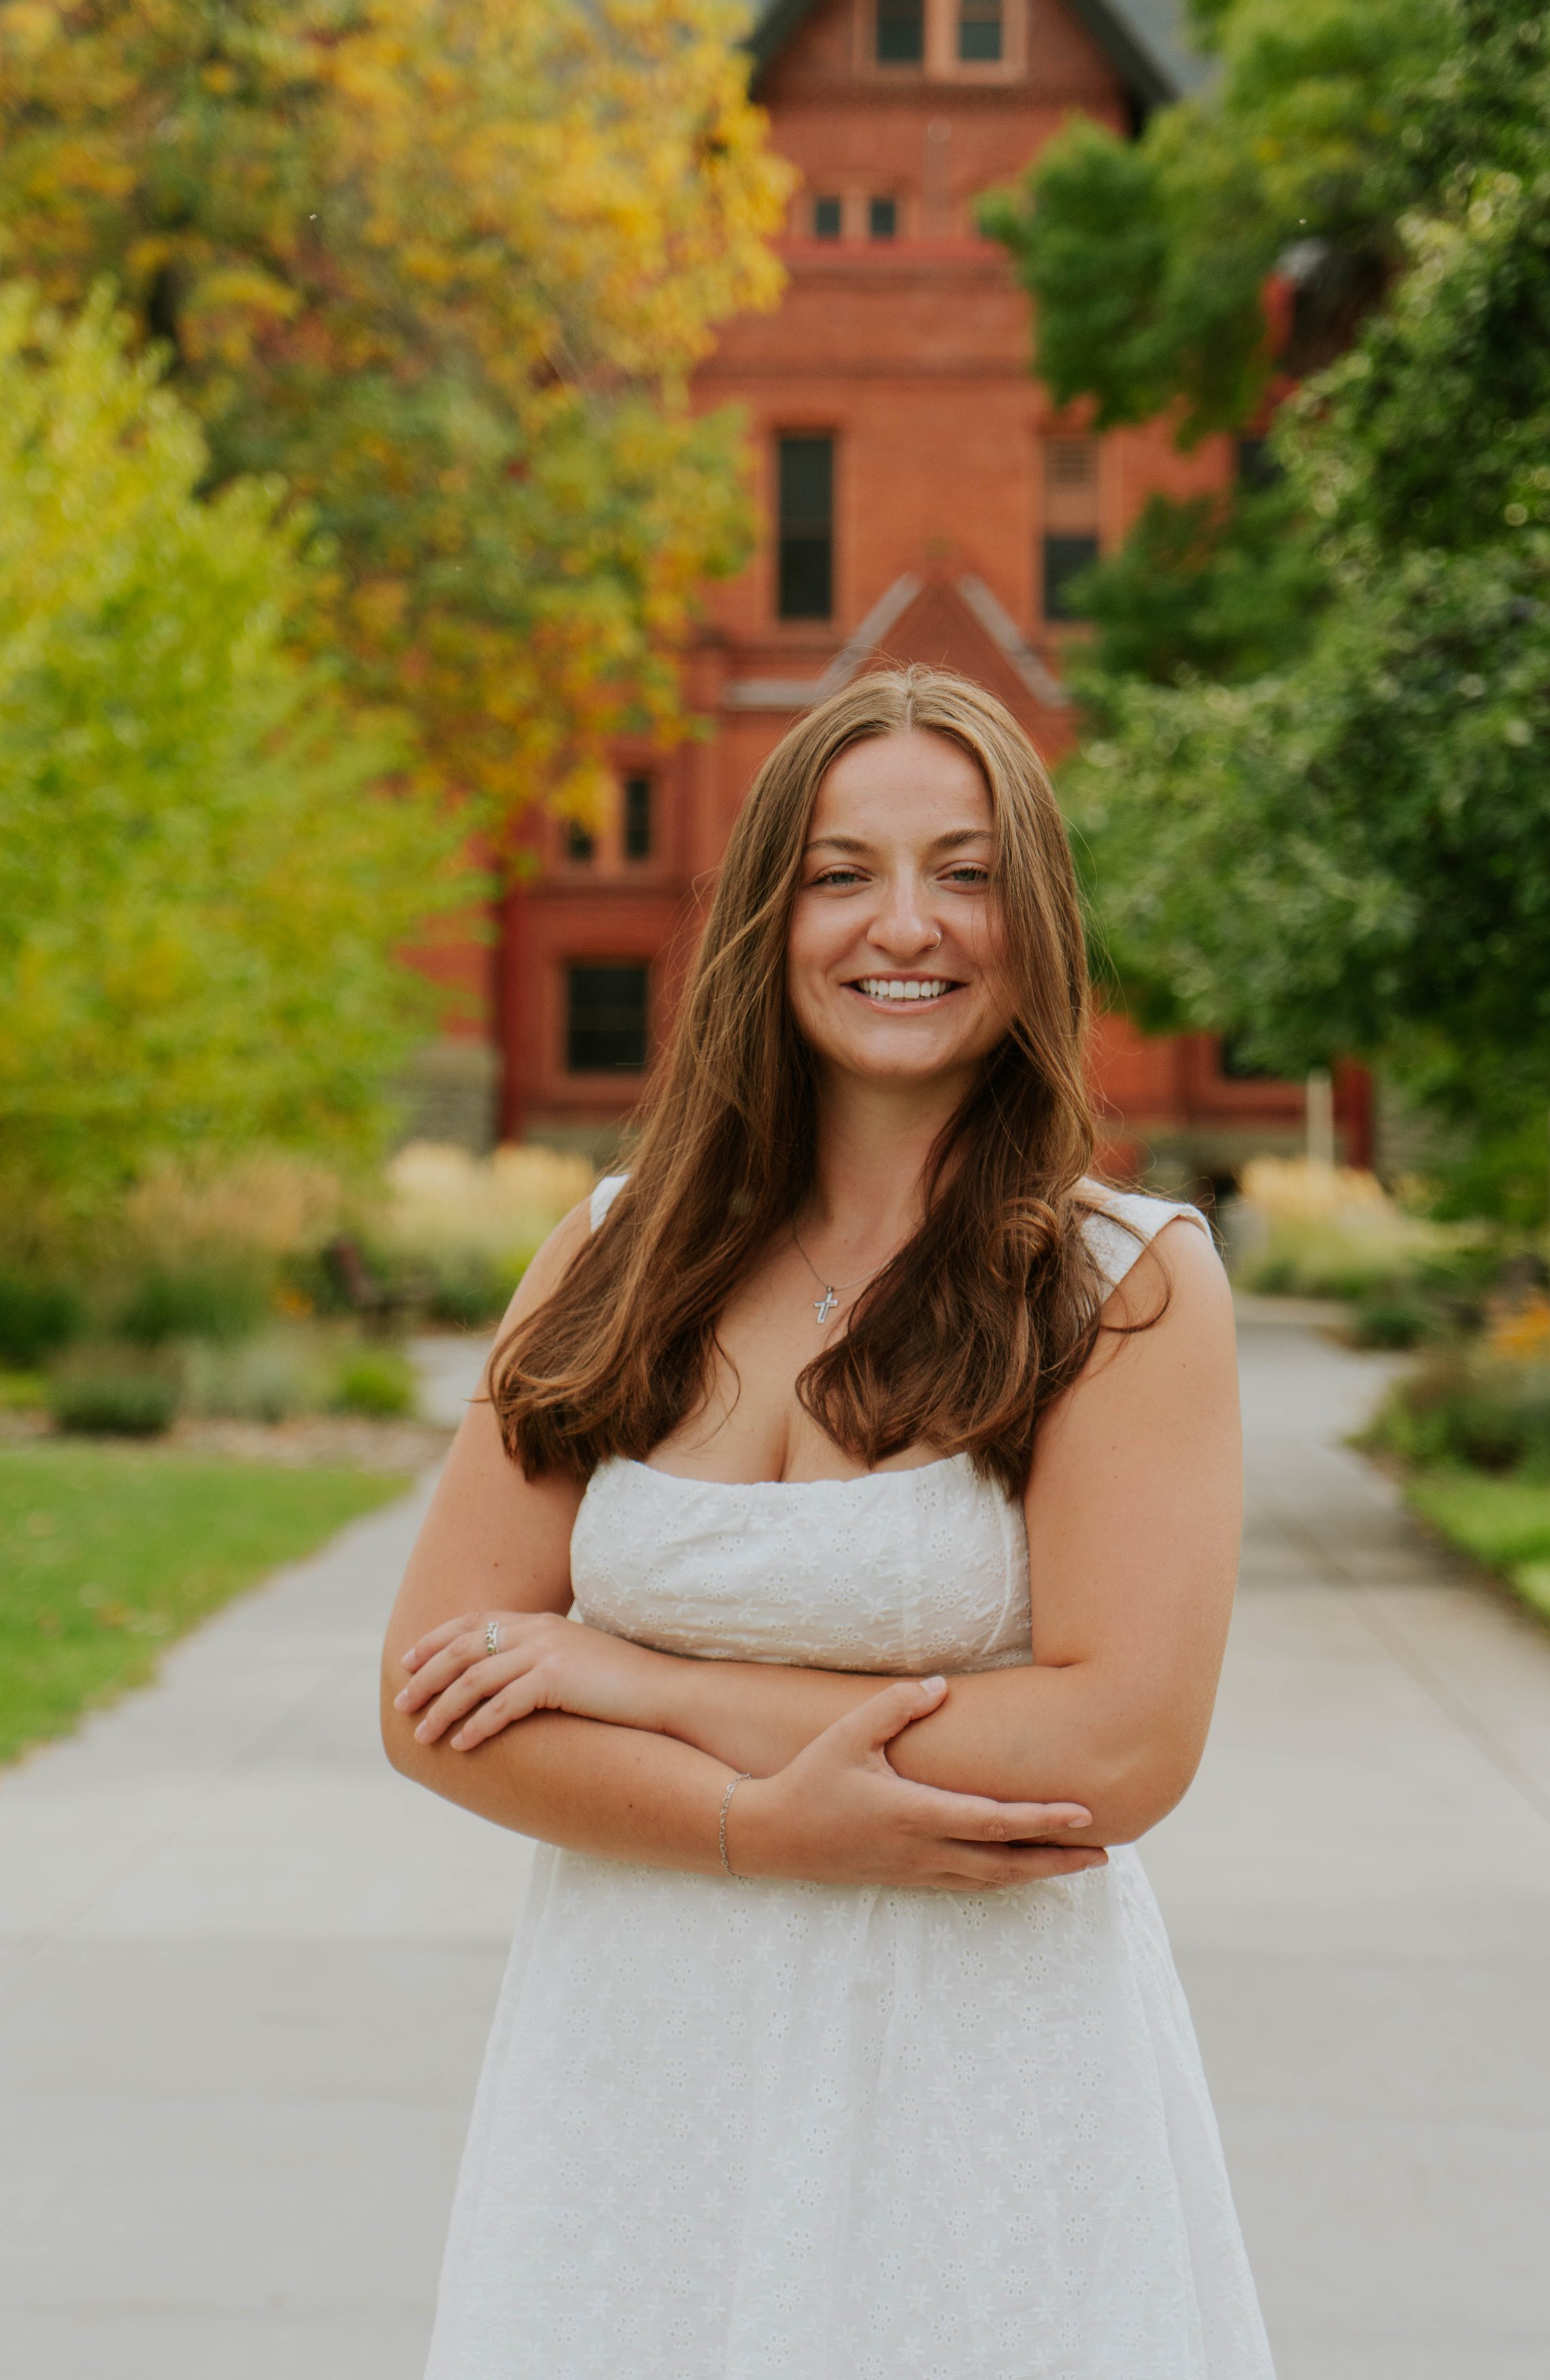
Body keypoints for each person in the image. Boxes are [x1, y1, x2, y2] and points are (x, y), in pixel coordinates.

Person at [382, 666, 1275, 2379]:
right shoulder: (610, 1248)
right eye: (843, 871)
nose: (906, 925)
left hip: (980, 2083)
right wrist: (756, 1828)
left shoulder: (1122, 1284)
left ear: (1034, 918)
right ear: (765, 914)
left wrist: (633, 1680)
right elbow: (437, 1695)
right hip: (635, 2072)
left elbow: (1118, 1738)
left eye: (963, 869)